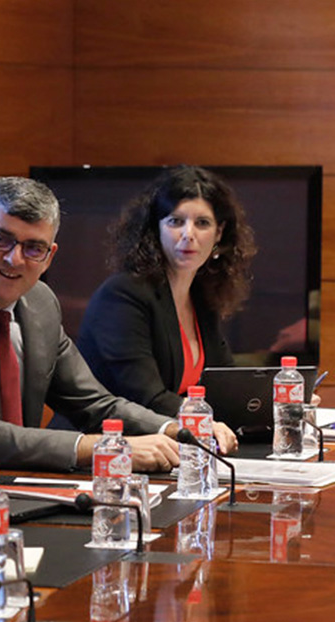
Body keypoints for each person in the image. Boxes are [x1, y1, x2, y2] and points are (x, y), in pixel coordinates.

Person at [0, 176, 186, 473]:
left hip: (23, 488)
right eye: (0, 238)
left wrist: (175, 430)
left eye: (33, 248)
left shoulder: (40, 302)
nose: (14, 259)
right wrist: (105, 449)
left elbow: (94, 404)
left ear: (49, 257)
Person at [78, 165, 251, 448]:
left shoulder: (201, 297)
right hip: (101, 451)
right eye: (175, 221)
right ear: (155, 228)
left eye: (202, 223)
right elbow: (147, 397)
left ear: (219, 233)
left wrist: (276, 400)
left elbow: (224, 385)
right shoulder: (124, 295)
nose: (188, 234)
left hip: (169, 450)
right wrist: (206, 422)